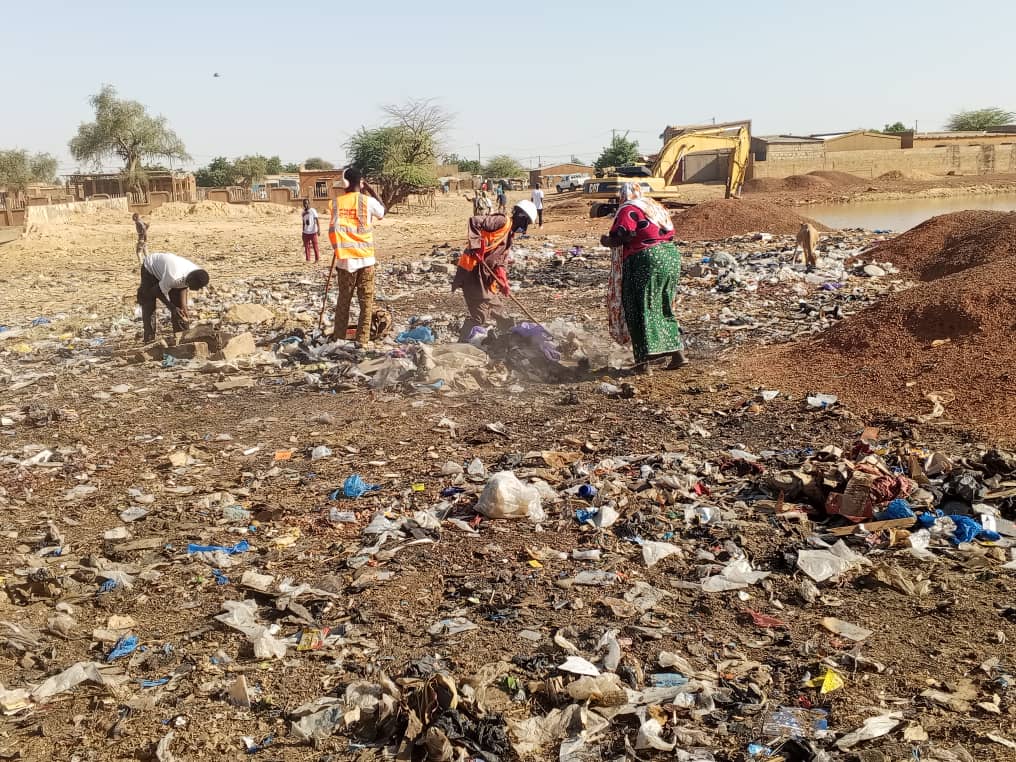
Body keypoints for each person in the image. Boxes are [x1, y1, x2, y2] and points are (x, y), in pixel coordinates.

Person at [600, 183, 685, 374]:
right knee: (663, 305)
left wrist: (605, 241)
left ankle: (643, 362)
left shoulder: (629, 209)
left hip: (646, 259)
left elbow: (623, 235)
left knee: (637, 307)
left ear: (623, 195)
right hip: (670, 257)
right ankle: (678, 355)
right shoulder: (654, 207)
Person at [452, 200, 538, 341]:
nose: (525, 228)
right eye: (526, 223)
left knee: (500, 312)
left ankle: (509, 342)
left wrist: (504, 283)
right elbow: (474, 221)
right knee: (480, 316)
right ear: (521, 217)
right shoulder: (502, 221)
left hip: (484, 277)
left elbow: (501, 263)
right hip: (472, 272)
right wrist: (476, 246)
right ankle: (461, 343)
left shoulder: (509, 237)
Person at [326, 167, 385, 346]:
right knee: (366, 302)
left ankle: (339, 336)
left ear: (343, 185)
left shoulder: (335, 203)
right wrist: (370, 189)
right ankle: (362, 340)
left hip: (345, 260)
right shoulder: (368, 202)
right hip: (366, 259)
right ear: (361, 183)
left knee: (344, 299)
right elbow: (382, 211)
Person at [137, 252, 209, 343]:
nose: (197, 289)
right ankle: (149, 339)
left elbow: (183, 286)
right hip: (150, 269)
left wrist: (183, 307)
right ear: (191, 280)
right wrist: (171, 307)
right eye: (196, 287)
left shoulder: (197, 273)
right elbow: (156, 291)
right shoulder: (173, 277)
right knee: (148, 301)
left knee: (180, 310)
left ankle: (182, 340)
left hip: (170, 272)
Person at [301, 199, 320, 263]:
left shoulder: (313, 210)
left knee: (315, 246)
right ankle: (308, 259)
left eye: (306, 203)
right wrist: (303, 232)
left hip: (313, 231)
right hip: (306, 232)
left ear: (309, 203)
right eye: (304, 204)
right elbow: (303, 223)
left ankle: (317, 259)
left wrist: (318, 229)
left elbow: (317, 220)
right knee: (306, 246)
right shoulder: (303, 212)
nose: (305, 205)